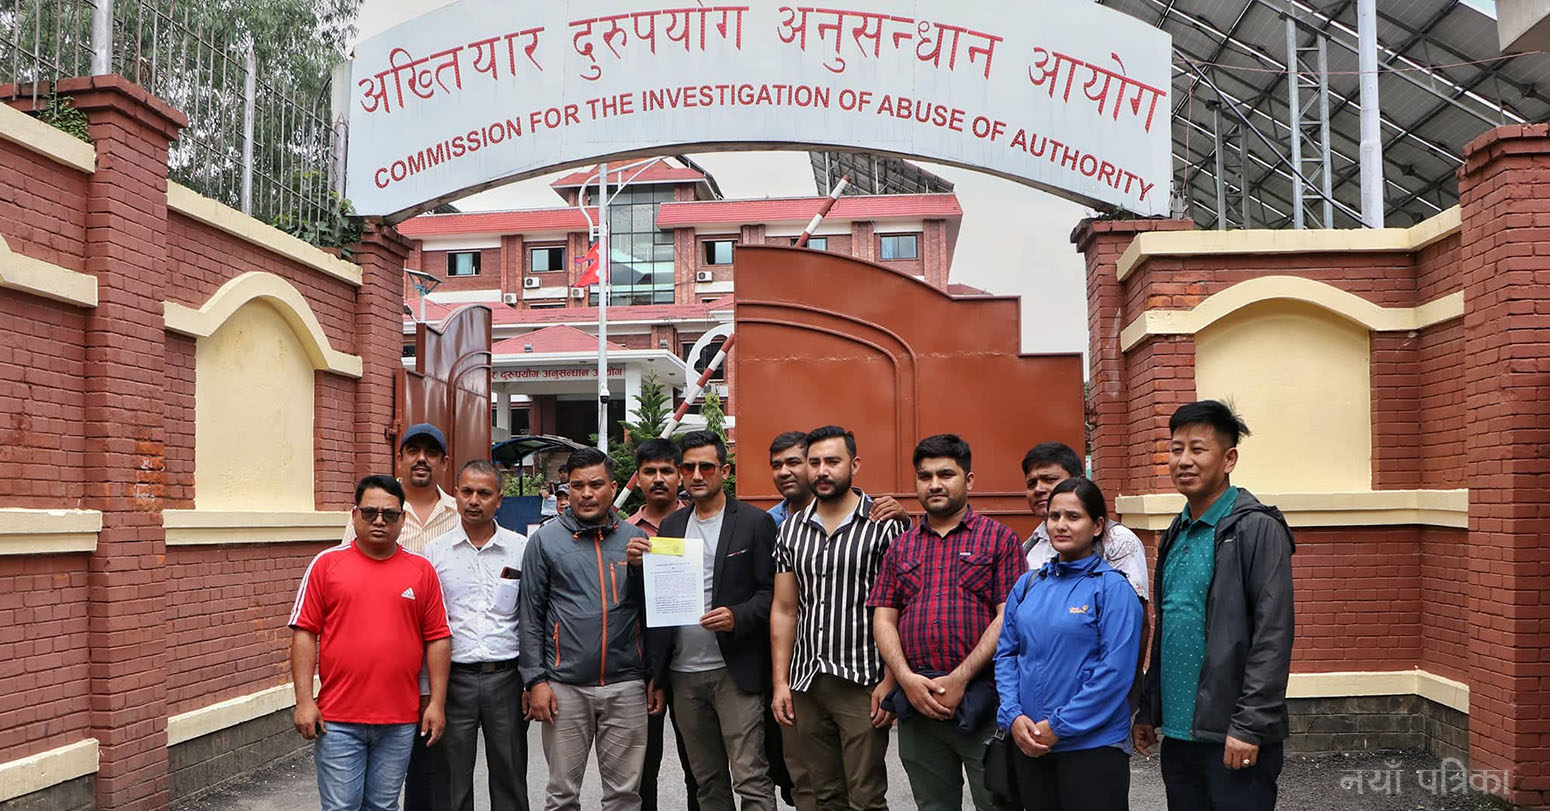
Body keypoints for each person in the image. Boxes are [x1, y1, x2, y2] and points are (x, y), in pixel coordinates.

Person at [1133, 401, 1295, 811]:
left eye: (1198, 449)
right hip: (1180, 735)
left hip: (1233, 735)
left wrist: (1249, 725)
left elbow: (1273, 636)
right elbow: (1170, 626)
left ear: (1229, 459)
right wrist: (1149, 709)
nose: (1183, 460)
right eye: (1176, 449)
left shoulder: (1257, 529)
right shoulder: (1179, 529)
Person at [870, 435, 1025, 811]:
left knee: (997, 804)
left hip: (985, 701)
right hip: (917, 702)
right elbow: (884, 617)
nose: (935, 484)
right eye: (925, 476)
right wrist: (905, 679)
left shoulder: (1000, 540)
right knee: (932, 805)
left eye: (946, 474)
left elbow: (1009, 616)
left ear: (968, 480)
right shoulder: (901, 547)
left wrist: (959, 678)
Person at [633, 431, 778, 811]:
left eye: (706, 467)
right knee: (706, 779)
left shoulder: (754, 523)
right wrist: (658, 675)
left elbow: (773, 594)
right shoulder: (672, 526)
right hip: (683, 674)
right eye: (688, 467)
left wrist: (737, 616)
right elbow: (658, 603)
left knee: (750, 775)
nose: (696, 475)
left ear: (724, 471)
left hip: (734, 670)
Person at [289, 475, 453, 811]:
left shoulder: (421, 571)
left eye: (389, 514)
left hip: (399, 719)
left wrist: (436, 703)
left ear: (402, 519)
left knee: (383, 806)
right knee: (341, 807)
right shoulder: (326, 565)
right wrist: (304, 701)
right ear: (354, 515)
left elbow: (438, 638)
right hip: (338, 719)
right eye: (369, 512)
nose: (379, 520)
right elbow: (304, 632)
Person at [771, 425, 908, 811]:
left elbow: (899, 607)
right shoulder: (790, 530)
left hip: (862, 681)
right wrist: (780, 683)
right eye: (814, 462)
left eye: (832, 461)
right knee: (824, 794)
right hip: (806, 680)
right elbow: (784, 609)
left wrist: (891, 679)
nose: (822, 471)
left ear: (854, 464)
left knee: (865, 796)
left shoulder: (884, 523)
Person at [519, 447, 663, 811]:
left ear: (612, 488)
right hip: (565, 686)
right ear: (567, 489)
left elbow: (651, 613)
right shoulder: (545, 541)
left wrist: (652, 675)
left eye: (596, 485)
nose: (586, 493)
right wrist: (535, 681)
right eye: (577, 485)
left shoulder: (635, 540)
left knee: (625, 796)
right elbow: (530, 615)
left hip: (625, 685)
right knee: (562, 795)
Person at [994, 477, 1143, 811]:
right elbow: (1006, 655)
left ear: (1097, 525)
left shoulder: (1113, 590)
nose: (1060, 525)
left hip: (1093, 748)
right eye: (1054, 516)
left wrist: (1058, 726)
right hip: (1031, 742)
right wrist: (1013, 716)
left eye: (1073, 517)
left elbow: (1115, 674)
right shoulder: (1027, 585)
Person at [339, 423, 461, 811]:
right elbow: (348, 575)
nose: (421, 459)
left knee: (430, 772)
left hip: (440, 662)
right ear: (400, 458)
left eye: (430, 452)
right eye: (413, 451)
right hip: (384, 671)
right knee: (373, 782)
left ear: (444, 462)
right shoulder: (374, 512)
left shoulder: (460, 513)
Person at [424, 461, 530, 811]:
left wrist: (532, 681)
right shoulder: (434, 553)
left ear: (499, 499)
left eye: (484, 493)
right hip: (454, 680)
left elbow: (532, 617)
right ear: (455, 494)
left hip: (507, 678)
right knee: (452, 781)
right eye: (467, 491)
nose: (474, 500)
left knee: (510, 777)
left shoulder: (521, 549)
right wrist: (430, 692)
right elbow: (428, 625)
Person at [625, 438, 702, 811]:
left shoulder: (699, 525)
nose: (658, 479)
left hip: (693, 659)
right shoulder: (624, 533)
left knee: (699, 765)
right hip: (642, 663)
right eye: (650, 472)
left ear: (680, 476)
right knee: (643, 767)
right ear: (638, 477)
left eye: (667, 471)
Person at [1020, 442, 1149, 601]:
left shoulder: (1118, 542)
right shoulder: (1029, 547)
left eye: (1050, 479)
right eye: (1031, 483)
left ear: (1079, 481)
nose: (1038, 489)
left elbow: (1132, 611)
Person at [768, 430, 910, 529]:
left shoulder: (872, 512)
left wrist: (904, 522)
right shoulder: (769, 520)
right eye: (776, 466)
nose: (783, 472)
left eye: (793, 463)